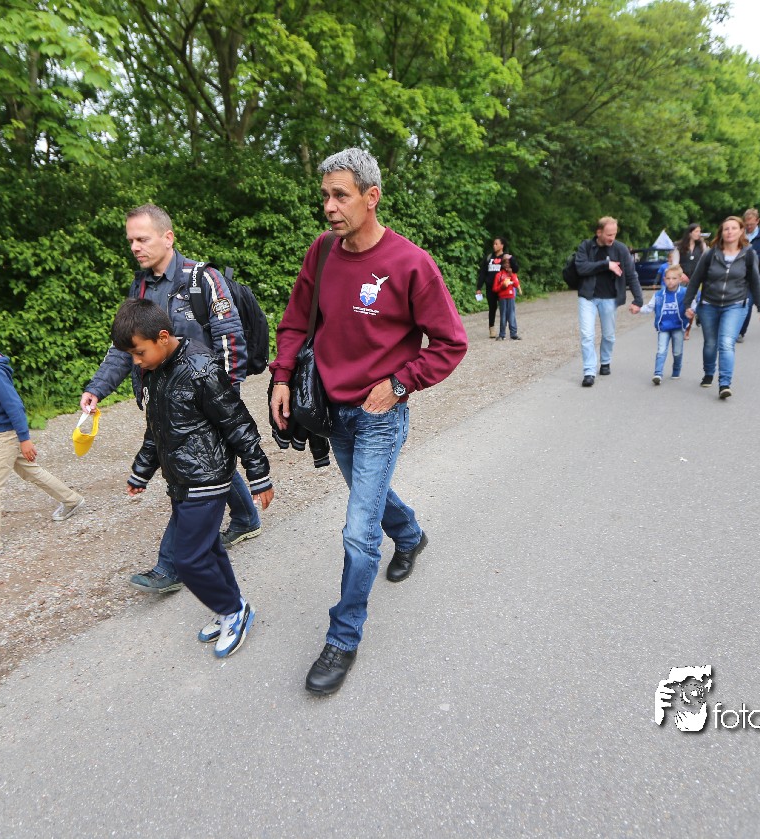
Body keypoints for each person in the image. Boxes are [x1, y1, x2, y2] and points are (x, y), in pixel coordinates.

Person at [269, 148, 467, 696]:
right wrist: (282, 376)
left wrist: (401, 383)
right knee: (368, 494)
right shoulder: (322, 253)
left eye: (341, 195)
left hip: (380, 413)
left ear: (371, 196)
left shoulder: (411, 264)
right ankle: (410, 535)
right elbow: (295, 322)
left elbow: (450, 343)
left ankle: (343, 637)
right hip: (331, 411)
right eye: (325, 196)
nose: (329, 207)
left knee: (359, 531)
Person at [80, 203, 264, 595]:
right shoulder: (140, 287)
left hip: (206, 399)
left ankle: (171, 565)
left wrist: (224, 399)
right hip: (163, 400)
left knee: (192, 470)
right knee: (207, 461)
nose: (135, 246)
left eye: (142, 238)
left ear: (168, 237)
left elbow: (230, 339)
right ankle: (246, 518)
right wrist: (97, 388)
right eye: (131, 240)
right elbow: (125, 348)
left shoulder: (202, 279)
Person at [117, 299, 273, 659]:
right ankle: (232, 606)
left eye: (139, 353)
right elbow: (155, 430)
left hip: (208, 477)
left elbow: (238, 423)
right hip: (180, 478)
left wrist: (259, 474)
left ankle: (233, 610)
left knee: (188, 560)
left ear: (163, 337)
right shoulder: (156, 372)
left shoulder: (201, 369)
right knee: (209, 549)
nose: (136, 362)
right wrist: (141, 471)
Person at [0, 315, 85, 569]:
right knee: (31, 472)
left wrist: (24, 439)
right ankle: (72, 500)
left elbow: (14, 405)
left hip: (5, 436)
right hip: (1, 434)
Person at [682, 216, 760, 399]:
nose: (730, 232)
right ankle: (708, 372)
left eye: (734, 228)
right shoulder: (710, 254)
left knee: (726, 343)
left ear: (741, 231)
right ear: (721, 232)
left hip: (735, 305)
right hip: (709, 305)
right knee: (710, 344)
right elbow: (696, 280)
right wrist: (687, 304)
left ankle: (724, 384)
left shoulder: (748, 254)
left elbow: (755, 281)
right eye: (726, 229)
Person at [574, 217, 643, 387]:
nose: (612, 238)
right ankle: (589, 372)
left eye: (614, 234)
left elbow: (631, 275)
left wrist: (638, 299)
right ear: (599, 232)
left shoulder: (620, 249)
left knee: (609, 335)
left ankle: (605, 361)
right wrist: (606, 265)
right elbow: (581, 268)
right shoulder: (586, 246)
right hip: (587, 297)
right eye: (609, 234)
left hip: (610, 298)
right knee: (587, 335)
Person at [639, 265, 688, 383]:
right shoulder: (659, 295)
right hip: (663, 327)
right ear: (664, 279)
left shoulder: (684, 293)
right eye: (668, 278)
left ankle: (676, 370)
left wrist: (693, 310)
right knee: (661, 350)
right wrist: (638, 309)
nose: (671, 281)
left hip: (678, 327)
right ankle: (658, 374)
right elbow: (649, 307)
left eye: (674, 278)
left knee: (677, 351)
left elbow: (694, 302)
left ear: (680, 279)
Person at [736, 208, 760, 342]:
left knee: (748, 303)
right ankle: (732, 328)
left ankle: (741, 332)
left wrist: (757, 256)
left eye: (751, 224)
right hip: (738, 273)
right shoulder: (739, 233)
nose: (749, 227)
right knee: (735, 302)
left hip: (755, 273)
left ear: (758, 221)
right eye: (747, 224)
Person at [478, 237, 517, 339]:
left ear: (502, 245)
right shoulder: (489, 257)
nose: (494, 246)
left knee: (505, 309)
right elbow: (483, 273)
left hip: (503, 288)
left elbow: (515, 269)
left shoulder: (506, 257)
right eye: (493, 244)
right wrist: (479, 287)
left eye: (496, 244)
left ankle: (506, 331)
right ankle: (492, 328)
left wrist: (511, 259)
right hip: (490, 287)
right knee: (492, 307)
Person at [493, 258, 521, 340]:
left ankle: (513, 334)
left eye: (508, 263)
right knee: (503, 316)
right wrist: (502, 286)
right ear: (502, 264)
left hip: (511, 297)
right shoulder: (499, 275)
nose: (507, 265)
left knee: (512, 315)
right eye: (505, 263)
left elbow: (516, 284)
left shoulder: (513, 274)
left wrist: (511, 274)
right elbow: (494, 288)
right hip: (502, 298)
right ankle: (502, 334)